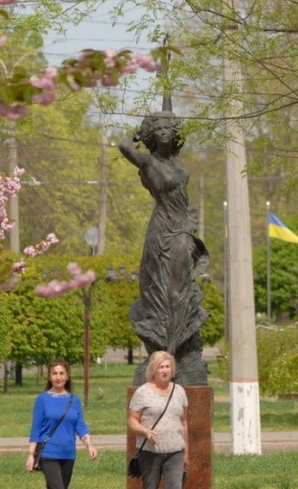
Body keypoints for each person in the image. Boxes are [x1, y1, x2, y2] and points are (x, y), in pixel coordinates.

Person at [119, 104, 210, 386]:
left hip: (183, 228)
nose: (163, 133)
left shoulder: (177, 161)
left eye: (168, 128)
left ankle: (173, 353)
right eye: (157, 129)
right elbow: (124, 146)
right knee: (163, 291)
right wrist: (136, 134)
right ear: (151, 133)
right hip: (162, 229)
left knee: (180, 291)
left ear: (175, 132)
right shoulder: (148, 162)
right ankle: (167, 357)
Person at [26, 359, 98, 489]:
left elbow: (80, 426)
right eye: (54, 373)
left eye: (61, 373)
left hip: (68, 455)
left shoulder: (74, 400)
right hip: (48, 454)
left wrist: (89, 445)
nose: (58, 377)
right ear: (49, 377)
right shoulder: (42, 399)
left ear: (67, 376)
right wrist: (31, 455)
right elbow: (36, 429)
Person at [127, 350, 189, 489]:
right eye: (161, 367)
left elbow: (184, 421)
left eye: (168, 366)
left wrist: (186, 451)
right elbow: (132, 420)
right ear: (153, 370)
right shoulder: (142, 392)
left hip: (175, 451)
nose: (165, 370)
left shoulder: (179, 391)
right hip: (150, 452)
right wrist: (145, 431)